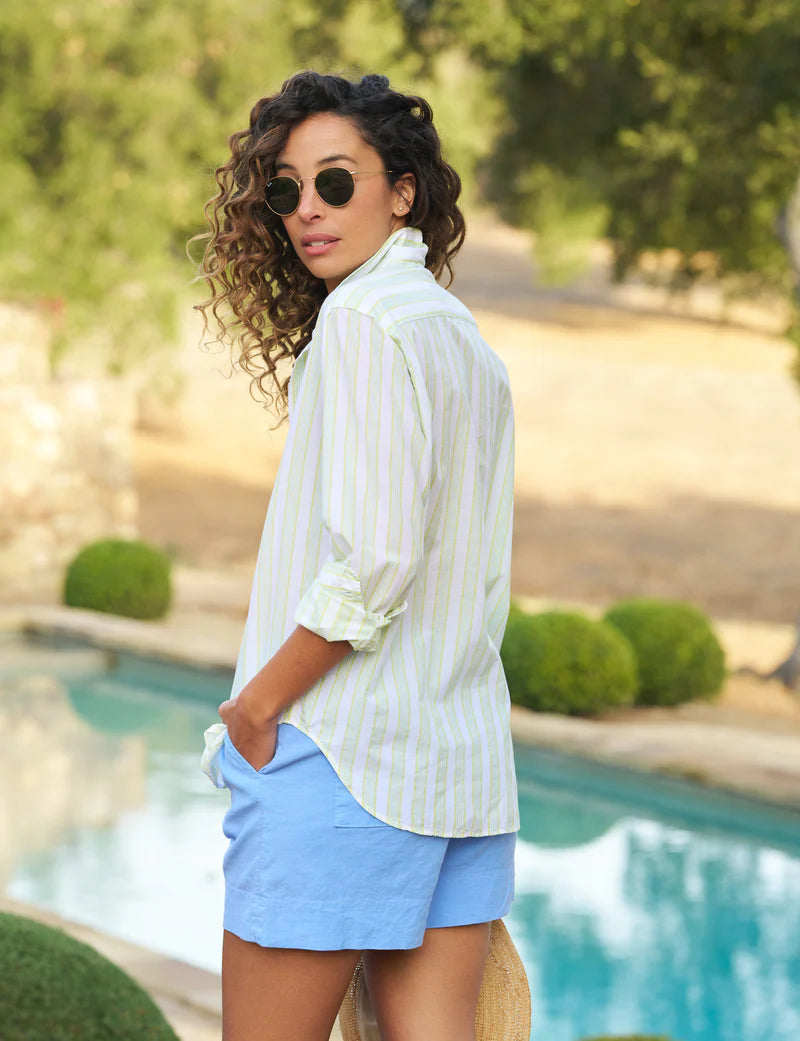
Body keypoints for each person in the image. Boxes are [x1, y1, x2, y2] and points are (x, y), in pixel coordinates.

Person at [191, 69, 521, 1041]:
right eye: (286, 190)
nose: (306, 211)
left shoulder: (364, 325)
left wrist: (257, 705)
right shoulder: (452, 332)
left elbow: (374, 561)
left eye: (335, 182)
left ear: (402, 188)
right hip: (453, 770)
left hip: (340, 760)